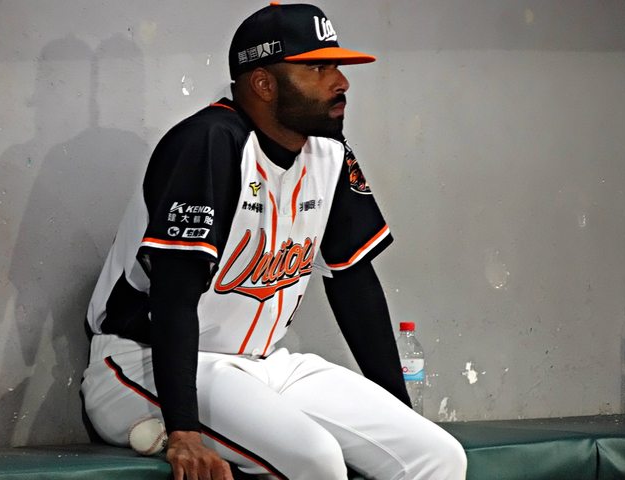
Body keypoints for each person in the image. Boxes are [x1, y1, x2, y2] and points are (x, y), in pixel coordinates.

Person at [81, 3, 467, 479]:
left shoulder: (329, 152)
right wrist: (183, 433)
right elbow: (173, 297)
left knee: (436, 455)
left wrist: (398, 413)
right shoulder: (208, 142)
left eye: (337, 66)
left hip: (263, 367)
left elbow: (354, 284)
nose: (341, 82)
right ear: (264, 84)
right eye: (318, 69)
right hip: (139, 364)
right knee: (316, 459)